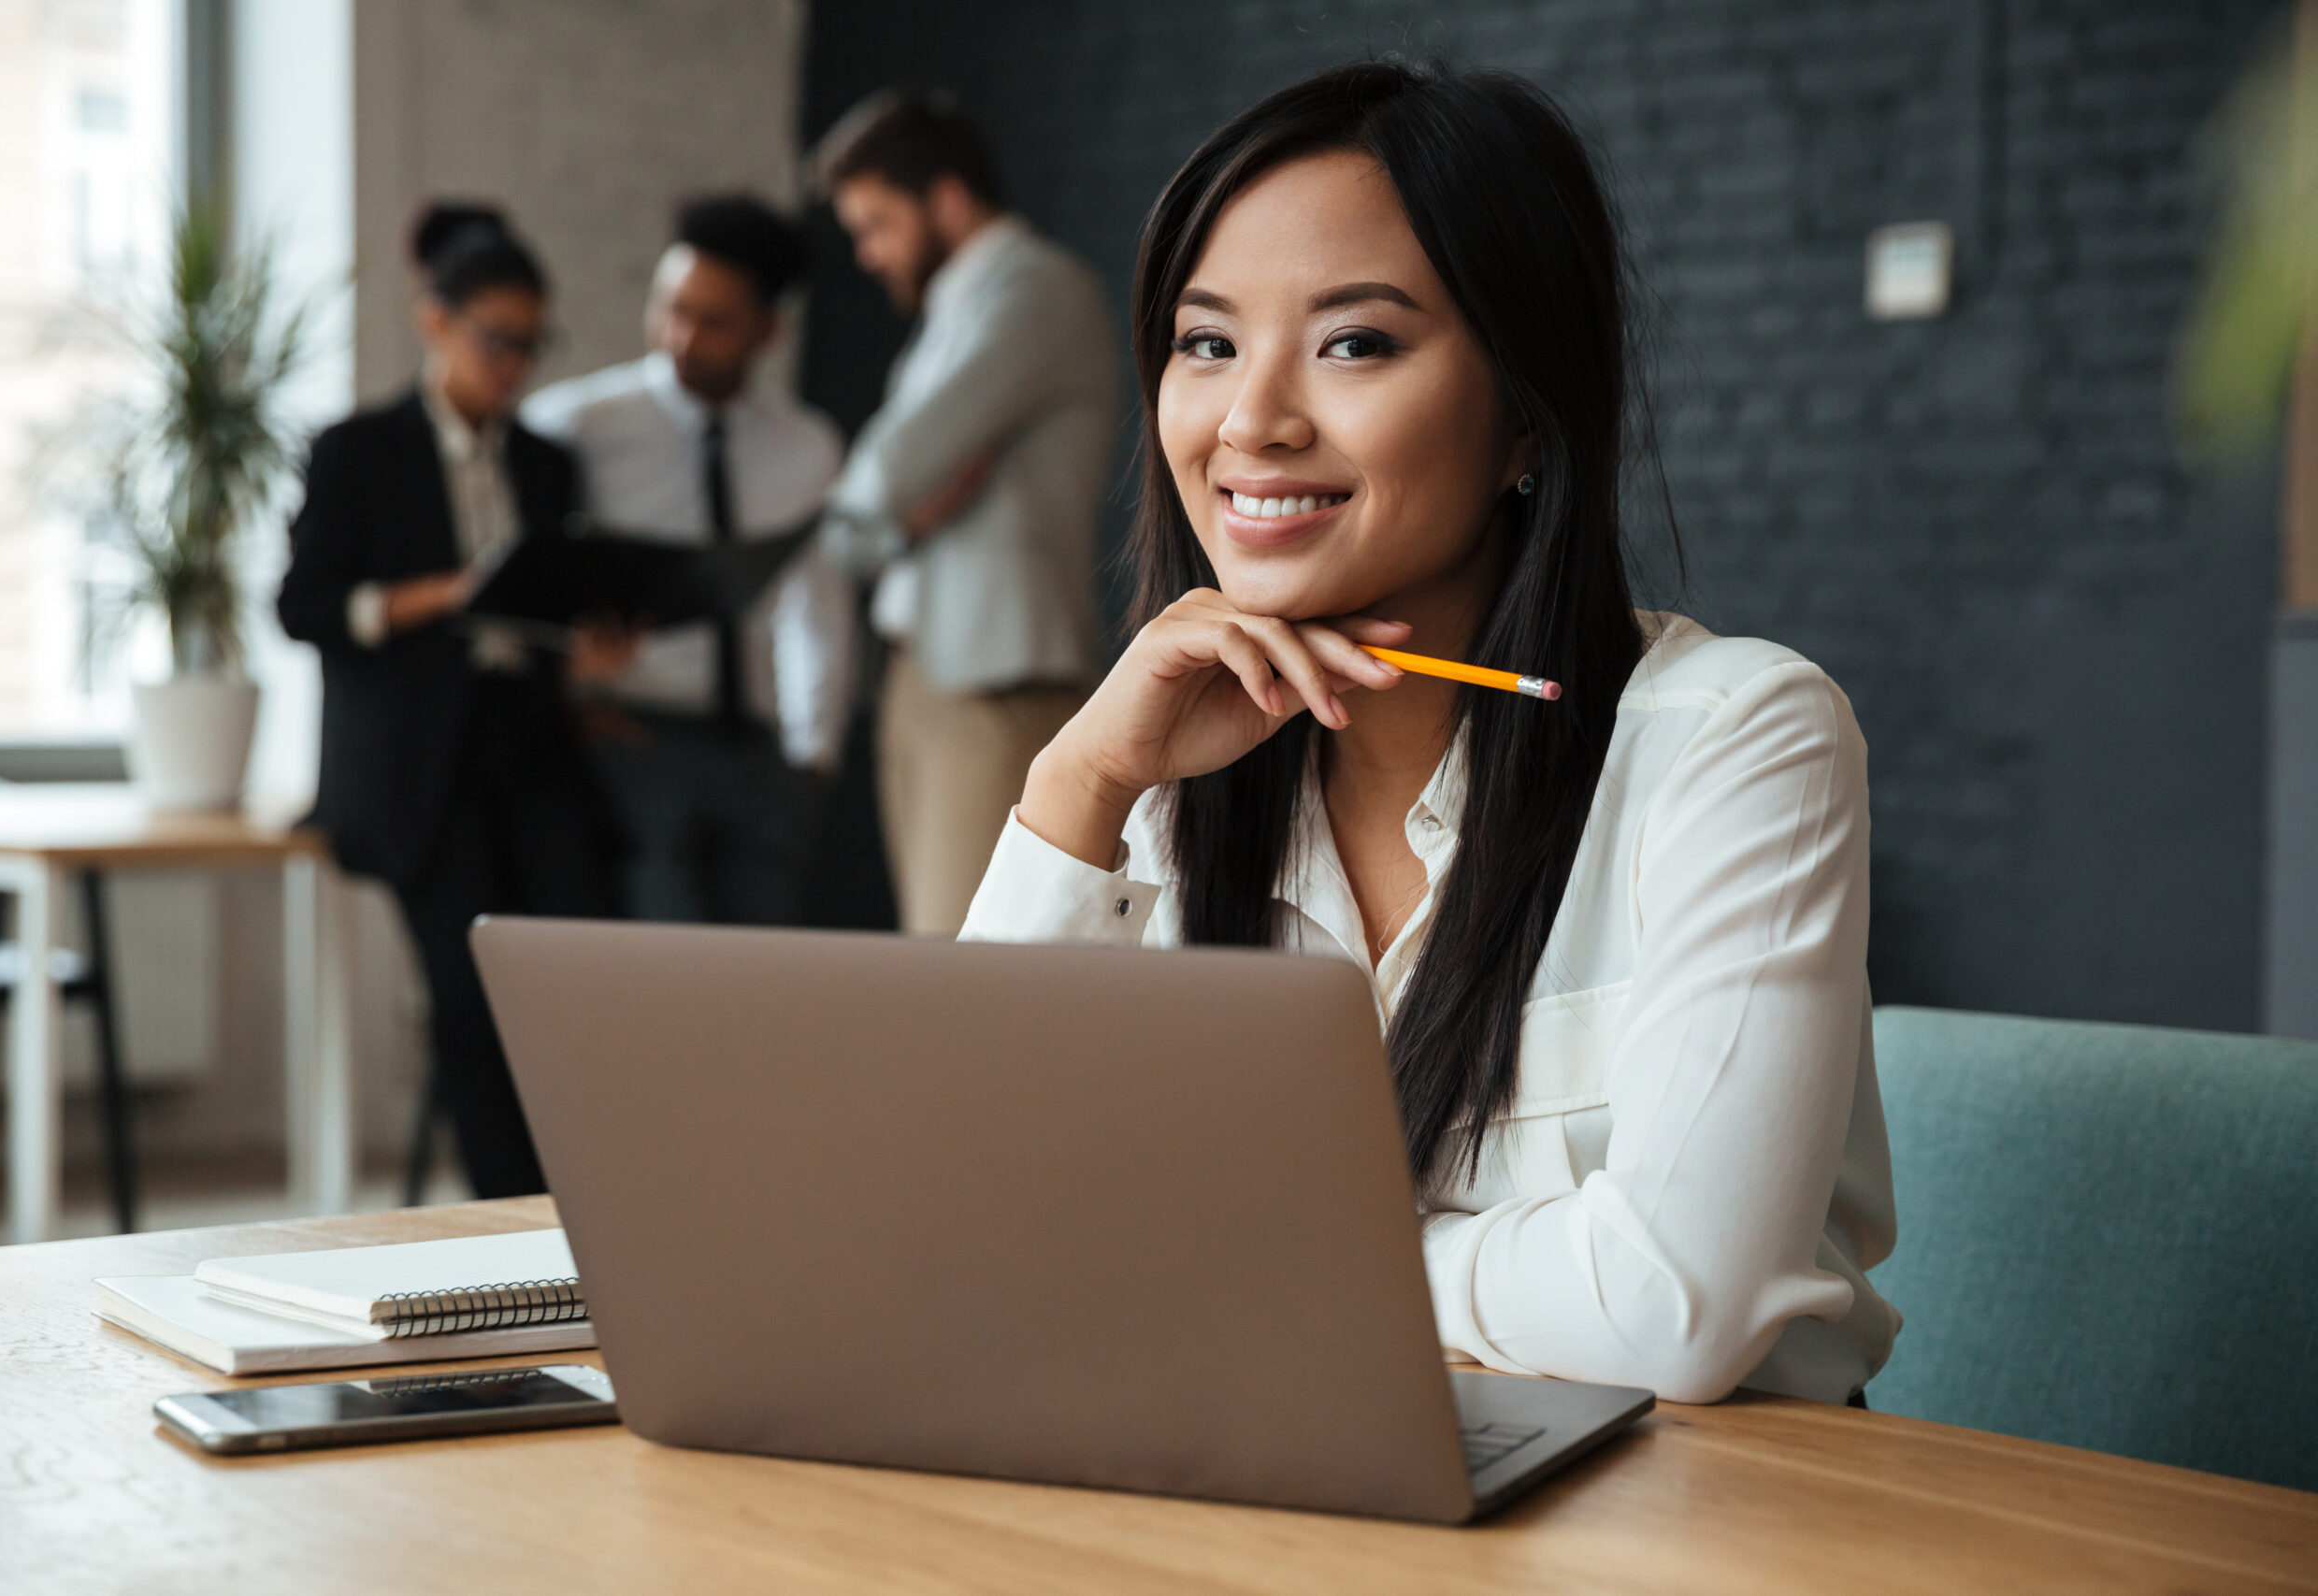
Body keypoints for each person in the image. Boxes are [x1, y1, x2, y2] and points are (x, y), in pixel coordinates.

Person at [959, 64, 1900, 1405]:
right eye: (1206, 341)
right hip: (1305, 1480)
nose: (1251, 423)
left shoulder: (1733, 739)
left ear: (1525, 406)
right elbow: (971, 1230)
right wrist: (1081, 777)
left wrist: (1237, 1265)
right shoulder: (1174, 773)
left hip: (1705, 1516)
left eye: (1354, 344)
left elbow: (1678, 1305)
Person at [278, 203, 624, 1199]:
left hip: (532, 747)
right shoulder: (357, 451)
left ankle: (589, 1210)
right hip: (417, 763)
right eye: (496, 339)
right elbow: (303, 607)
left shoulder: (547, 462)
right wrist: (448, 593)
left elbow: (551, 612)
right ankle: (510, 1224)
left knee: (582, 980)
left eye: (531, 344)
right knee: (470, 1005)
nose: (514, 364)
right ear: (434, 319)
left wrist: (588, 649)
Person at [813, 91, 1118, 934]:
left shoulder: (1036, 288)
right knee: (934, 955)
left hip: (998, 684)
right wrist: (892, 513)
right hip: (929, 675)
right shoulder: (955, 305)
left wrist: (885, 502)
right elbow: (875, 508)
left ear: (946, 198)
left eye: (877, 224)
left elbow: (890, 467)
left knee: (968, 970)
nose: (868, 254)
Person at [524, 196, 855, 926]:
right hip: (633, 739)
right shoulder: (574, 426)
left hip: (762, 754)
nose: (681, 335)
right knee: (659, 985)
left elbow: (815, 605)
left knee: (763, 985)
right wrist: (563, 693)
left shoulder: (806, 445)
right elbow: (527, 587)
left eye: (713, 320)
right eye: (670, 307)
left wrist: (814, 757)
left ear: (770, 330)